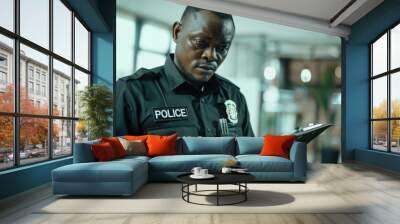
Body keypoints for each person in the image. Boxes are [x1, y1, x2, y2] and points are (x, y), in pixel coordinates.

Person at [115, 6, 254, 137]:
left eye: (222, 47)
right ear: (177, 32)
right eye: (200, 42)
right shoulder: (132, 93)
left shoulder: (233, 96)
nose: (212, 55)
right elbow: (117, 160)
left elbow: (248, 158)